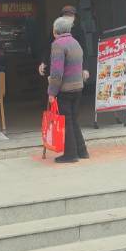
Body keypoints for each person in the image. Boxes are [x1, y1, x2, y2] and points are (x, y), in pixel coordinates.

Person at [47, 16, 89, 163]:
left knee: (67, 122)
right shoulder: (75, 42)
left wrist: (52, 92)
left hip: (65, 89)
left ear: (55, 30)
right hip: (78, 87)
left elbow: (56, 72)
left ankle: (70, 154)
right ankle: (82, 151)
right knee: (73, 120)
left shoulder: (58, 45)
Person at [39, 5, 88, 79]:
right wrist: (43, 62)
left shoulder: (78, 31)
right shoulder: (55, 30)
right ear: (61, 18)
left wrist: (85, 68)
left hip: (74, 69)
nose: (68, 18)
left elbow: (84, 50)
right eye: (66, 16)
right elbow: (48, 47)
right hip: (58, 68)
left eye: (71, 16)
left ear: (74, 17)